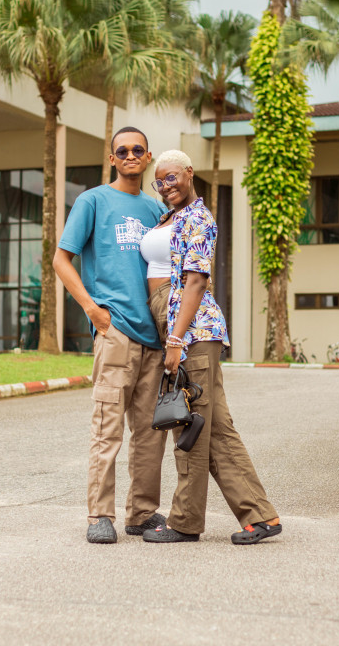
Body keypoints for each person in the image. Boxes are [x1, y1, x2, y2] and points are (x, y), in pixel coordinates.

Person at [139, 149, 282, 545]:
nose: (167, 186)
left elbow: (197, 282)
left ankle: (185, 522)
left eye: (173, 177)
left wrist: (175, 339)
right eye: (160, 181)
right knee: (215, 428)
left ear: (189, 173)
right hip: (183, 326)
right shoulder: (170, 216)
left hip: (193, 330)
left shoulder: (198, 217)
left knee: (189, 425)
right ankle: (260, 517)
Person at [53, 127, 167, 544]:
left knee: (150, 433)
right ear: (113, 158)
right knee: (108, 428)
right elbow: (61, 259)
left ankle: (142, 513)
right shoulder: (93, 201)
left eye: (138, 149)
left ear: (148, 156)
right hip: (115, 329)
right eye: (123, 150)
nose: (131, 155)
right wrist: (93, 311)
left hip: (154, 337)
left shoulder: (156, 210)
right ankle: (100, 515)